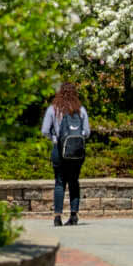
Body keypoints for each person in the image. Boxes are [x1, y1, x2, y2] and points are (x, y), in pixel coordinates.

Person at [41, 82, 90, 226]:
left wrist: (55, 138)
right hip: (76, 152)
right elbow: (86, 132)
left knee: (60, 182)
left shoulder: (53, 109)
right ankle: (74, 215)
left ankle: (57, 217)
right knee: (74, 181)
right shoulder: (80, 110)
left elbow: (44, 131)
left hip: (59, 149)